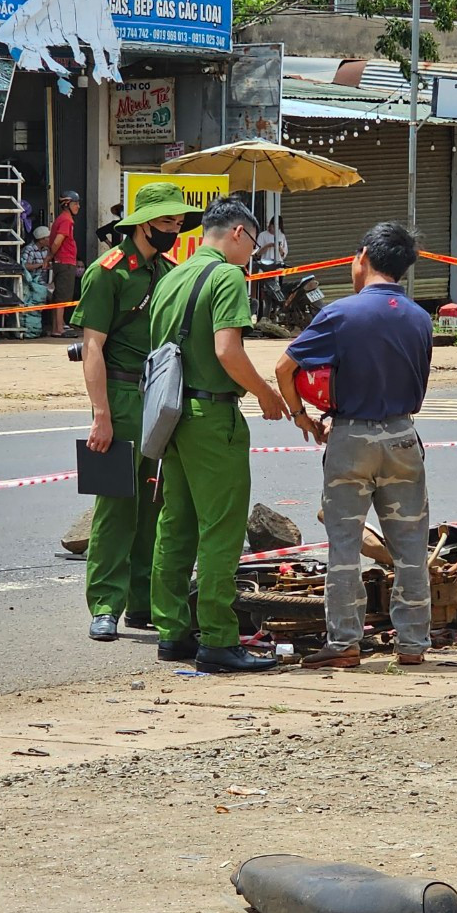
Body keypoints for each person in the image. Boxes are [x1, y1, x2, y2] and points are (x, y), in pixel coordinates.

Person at [276, 222, 435, 670]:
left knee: (344, 546)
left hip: (350, 437)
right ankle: (412, 644)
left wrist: (301, 416)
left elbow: (283, 367)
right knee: (410, 548)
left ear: (362, 256)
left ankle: (345, 643)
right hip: (403, 435)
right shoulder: (421, 317)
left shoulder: (340, 314)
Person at [148, 197, 289, 674]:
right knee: (221, 530)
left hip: (171, 414)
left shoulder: (171, 276)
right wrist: (266, 393)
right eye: (253, 244)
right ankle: (219, 639)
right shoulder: (228, 276)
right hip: (212, 414)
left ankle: (172, 632)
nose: (252, 255)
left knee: (176, 524)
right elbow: (228, 351)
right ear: (237, 234)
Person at [71, 182, 203, 642]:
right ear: (143, 223)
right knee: (115, 506)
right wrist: (100, 414)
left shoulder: (169, 271)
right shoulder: (108, 272)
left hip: (159, 399)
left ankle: (144, 602)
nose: (174, 228)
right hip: (121, 397)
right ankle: (106, 603)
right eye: (167, 222)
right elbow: (93, 347)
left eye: (178, 222)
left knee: (155, 502)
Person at [49, 189, 82, 338]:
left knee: (60, 296)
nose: (78, 206)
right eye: (76, 203)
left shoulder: (63, 219)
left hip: (62, 261)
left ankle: (59, 326)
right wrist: (49, 256)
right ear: (67, 204)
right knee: (63, 297)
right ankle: (59, 329)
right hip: (65, 262)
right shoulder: (66, 220)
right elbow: (57, 242)